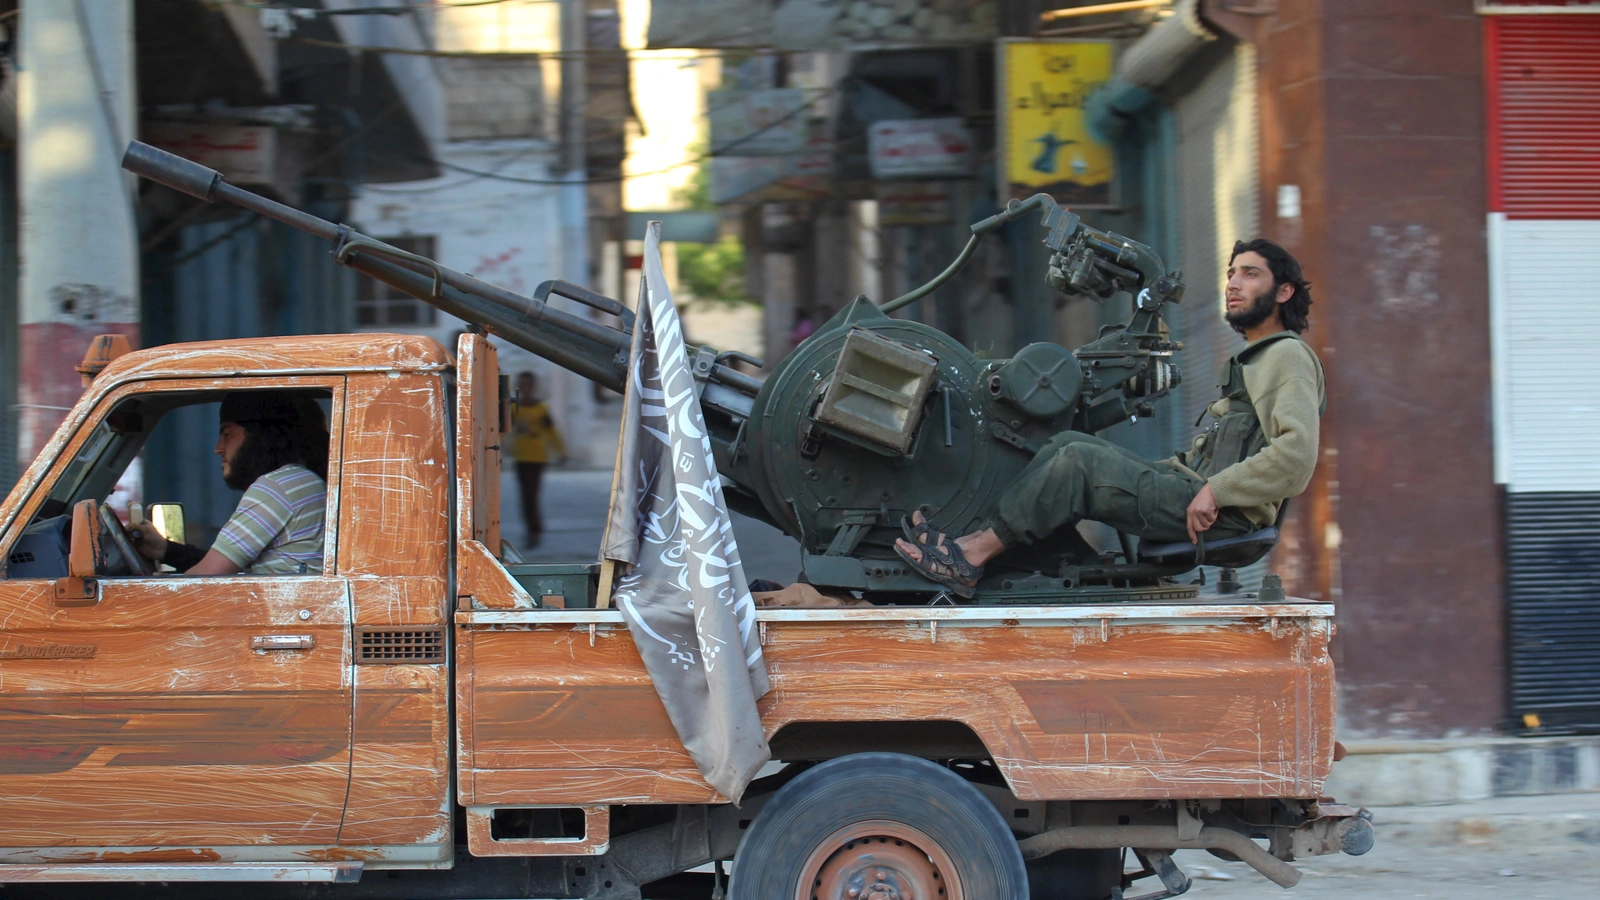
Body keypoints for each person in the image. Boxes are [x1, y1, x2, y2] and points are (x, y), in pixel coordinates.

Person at [894, 238, 1326, 597]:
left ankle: (967, 560)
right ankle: (973, 542)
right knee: (1065, 446)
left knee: (1077, 463)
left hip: (1221, 515)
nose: (1234, 283)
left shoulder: (1286, 356)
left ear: (1283, 292)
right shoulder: (1257, 359)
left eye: (1251, 274)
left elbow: (1296, 456)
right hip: (1196, 492)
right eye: (1232, 272)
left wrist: (1216, 489)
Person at [132, 393, 329, 575]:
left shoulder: (277, 487)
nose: (218, 448)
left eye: (227, 434)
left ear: (258, 434)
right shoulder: (304, 482)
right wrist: (166, 550)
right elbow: (229, 565)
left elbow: (205, 578)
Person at [509, 372, 565, 548]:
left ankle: (535, 530)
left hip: (537, 457)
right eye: (522, 385)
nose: (525, 388)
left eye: (528, 385)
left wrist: (561, 452)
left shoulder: (541, 409)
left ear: (533, 387)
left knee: (532, 495)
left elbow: (551, 432)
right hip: (521, 456)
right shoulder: (514, 409)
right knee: (525, 497)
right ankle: (531, 529)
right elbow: (503, 430)